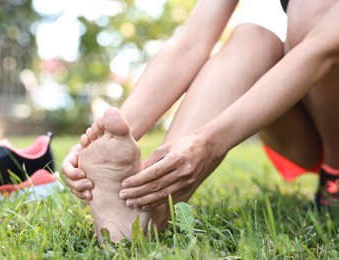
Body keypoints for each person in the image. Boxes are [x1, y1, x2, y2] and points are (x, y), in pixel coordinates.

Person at [61, 0, 339, 243]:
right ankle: (151, 206)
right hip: (312, 125)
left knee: (312, 7)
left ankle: (335, 176)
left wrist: (207, 141)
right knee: (251, 38)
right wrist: (108, 133)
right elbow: (190, 43)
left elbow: (324, 48)